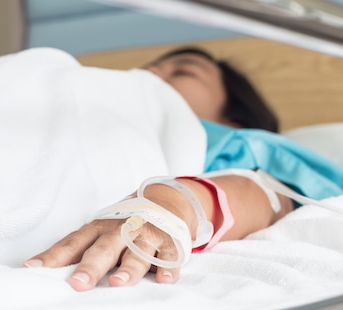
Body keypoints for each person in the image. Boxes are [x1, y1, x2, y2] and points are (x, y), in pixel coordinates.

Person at [24, 46, 342, 292]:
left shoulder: (239, 144)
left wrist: (173, 203)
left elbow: (268, 196)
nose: (150, 73)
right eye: (150, 68)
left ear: (235, 122)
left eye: (184, 71)